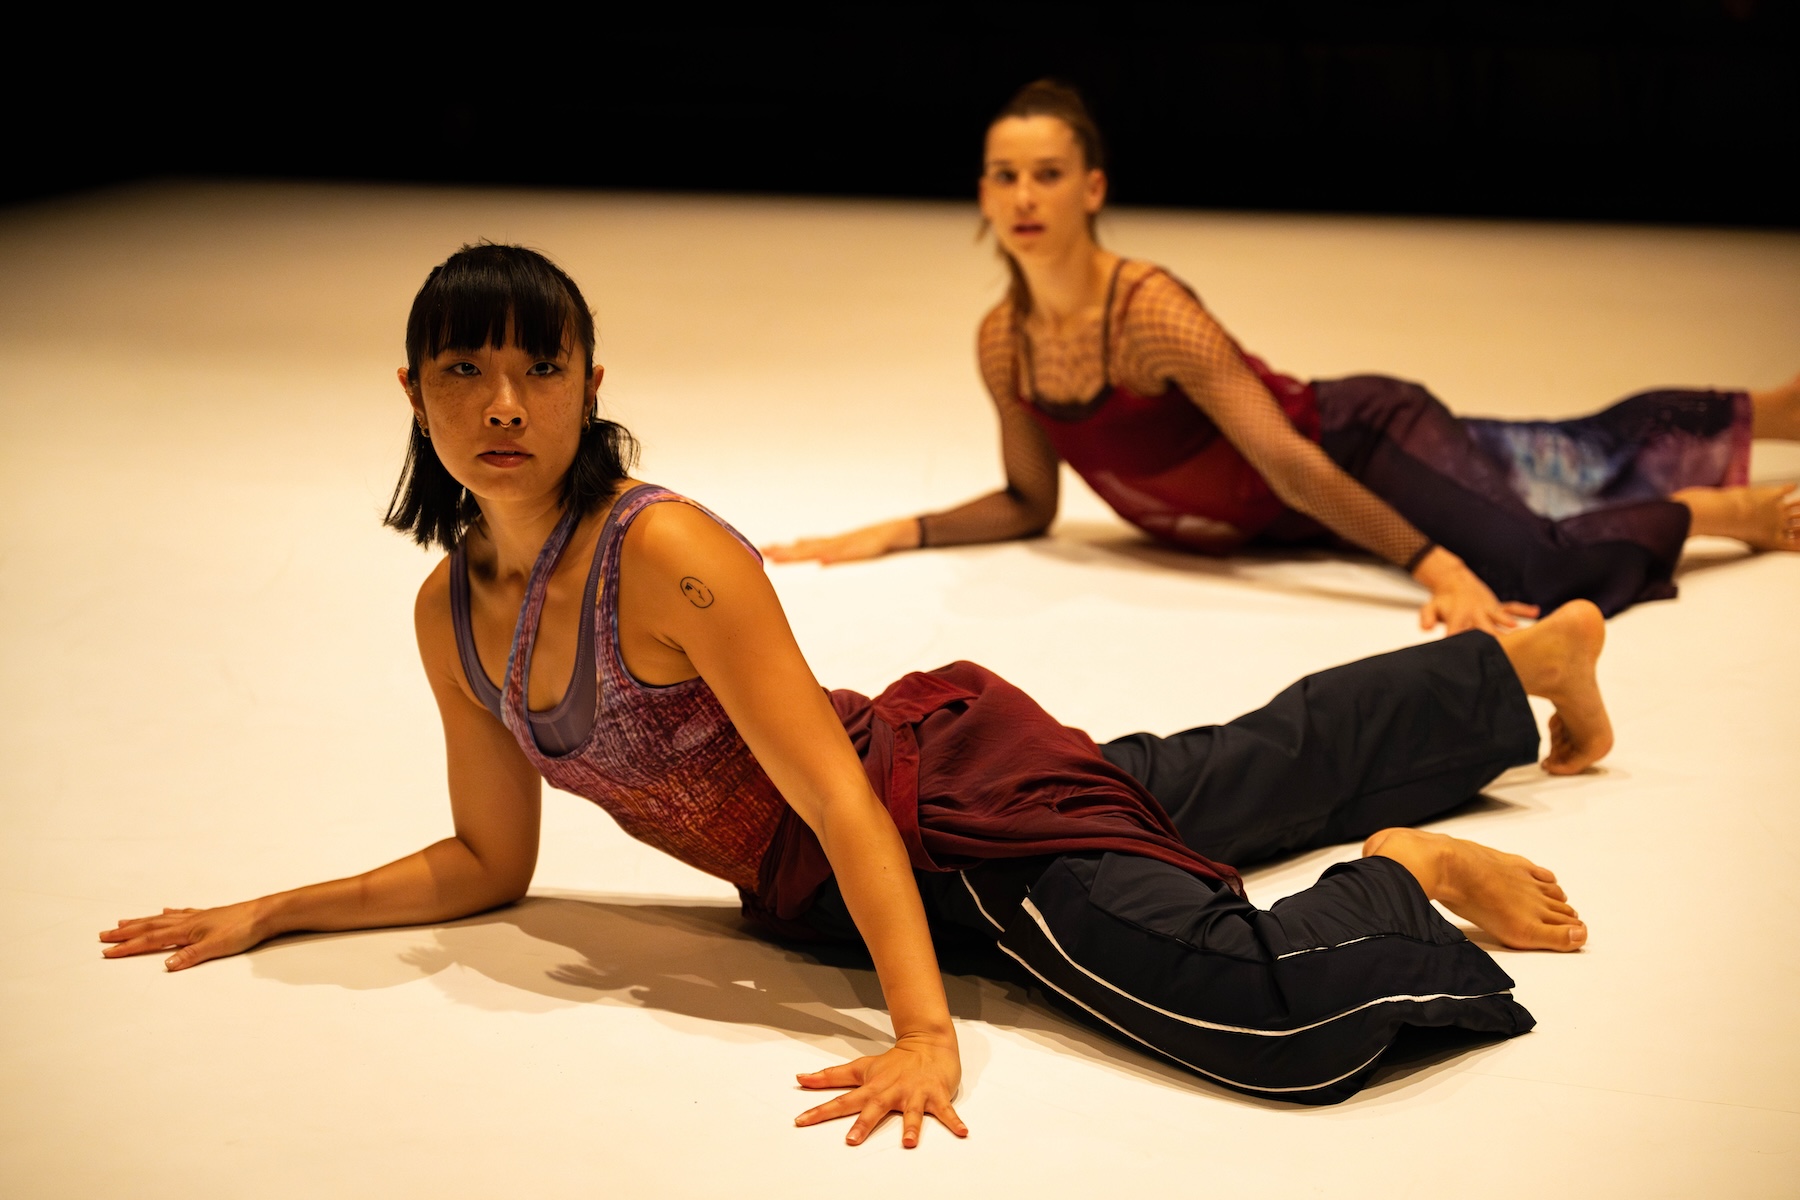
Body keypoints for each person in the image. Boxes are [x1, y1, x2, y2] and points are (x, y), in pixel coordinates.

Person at [101, 244, 1615, 1145]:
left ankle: (1400, 872)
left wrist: (926, 1033)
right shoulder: (453, 613)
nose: (503, 406)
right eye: (465, 374)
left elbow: (832, 793)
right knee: (1210, 775)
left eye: (537, 370)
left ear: (587, 381)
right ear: (414, 396)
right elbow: (490, 862)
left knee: (1262, 1021)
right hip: (908, 812)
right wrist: (273, 912)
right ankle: (1513, 667)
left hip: (932, 815)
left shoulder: (668, 552)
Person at [765, 80, 1800, 631]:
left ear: (1092, 187)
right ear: (984, 193)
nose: (1024, 196)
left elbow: (1290, 463)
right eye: (1004, 176)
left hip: (1353, 444)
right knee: (1554, 454)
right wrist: (896, 531)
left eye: (1047, 173)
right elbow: (1030, 503)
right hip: (1301, 505)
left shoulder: (1152, 313)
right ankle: (1767, 409)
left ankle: (1728, 510)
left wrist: (1435, 566)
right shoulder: (1006, 346)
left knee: (1533, 555)